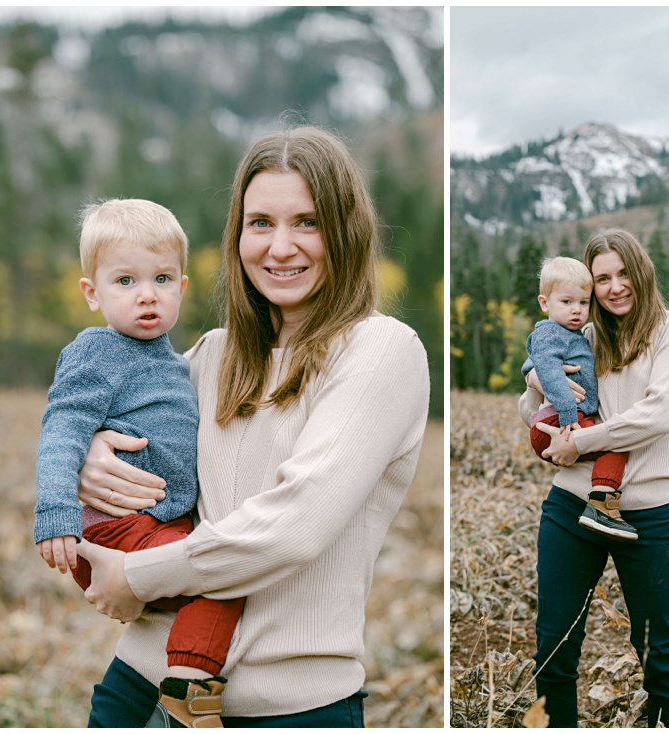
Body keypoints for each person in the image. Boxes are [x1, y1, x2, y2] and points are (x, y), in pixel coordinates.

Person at [71, 125, 430, 728]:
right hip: (137, 685)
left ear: (345, 230)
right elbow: (104, 421)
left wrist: (139, 574)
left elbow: (295, 524)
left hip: (287, 707)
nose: (280, 247)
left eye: (307, 222)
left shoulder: (380, 352)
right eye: (260, 223)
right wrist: (91, 451)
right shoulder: (212, 354)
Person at [33, 198, 244, 728]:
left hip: (156, 523)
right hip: (116, 527)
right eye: (125, 281)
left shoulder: (177, 363)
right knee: (218, 576)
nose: (147, 294)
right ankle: (190, 687)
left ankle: (185, 681)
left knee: (216, 574)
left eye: (162, 278)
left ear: (182, 287)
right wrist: (55, 514)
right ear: (92, 293)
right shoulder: (96, 351)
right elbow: (61, 432)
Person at [520, 228, 669, 728]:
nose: (615, 286)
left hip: (650, 513)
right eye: (602, 278)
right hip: (570, 506)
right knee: (555, 645)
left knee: (657, 651)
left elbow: (657, 415)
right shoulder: (585, 336)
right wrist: (536, 380)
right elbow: (532, 411)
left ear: (642, 272)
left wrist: (580, 442)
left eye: (623, 273)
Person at [524, 256, 637, 540]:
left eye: (583, 303)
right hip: (556, 421)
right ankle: (601, 503)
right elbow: (549, 373)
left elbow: (534, 365)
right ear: (544, 303)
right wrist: (569, 419)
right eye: (566, 302)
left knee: (609, 440)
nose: (576, 310)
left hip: (560, 419)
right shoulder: (551, 333)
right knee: (615, 443)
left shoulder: (573, 334)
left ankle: (602, 503)